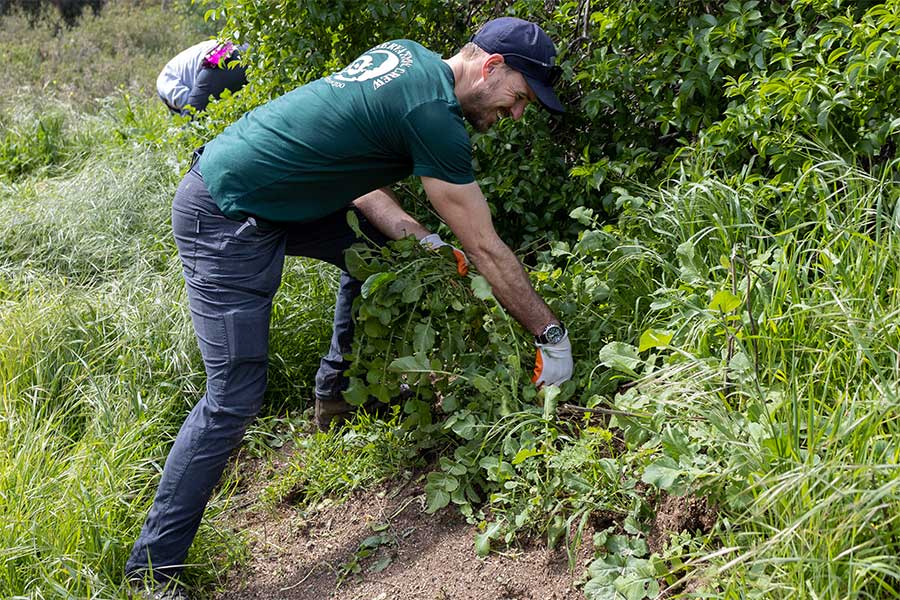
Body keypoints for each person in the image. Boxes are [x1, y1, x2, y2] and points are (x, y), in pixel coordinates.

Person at [126, 16, 573, 598]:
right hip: (226, 211)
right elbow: (485, 246)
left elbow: (353, 176)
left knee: (378, 256)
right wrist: (550, 335)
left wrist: (415, 236)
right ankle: (152, 570)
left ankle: (334, 397)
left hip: (274, 198)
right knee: (233, 396)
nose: (516, 115)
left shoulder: (407, 57)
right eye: (518, 98)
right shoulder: (435, 118)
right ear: (490, 68)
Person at [156, 40, 248, 115]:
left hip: (219, 59)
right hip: (244, 50)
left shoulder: (163, 83)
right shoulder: (176, 67)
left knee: (192, 117)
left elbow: (189, 106)